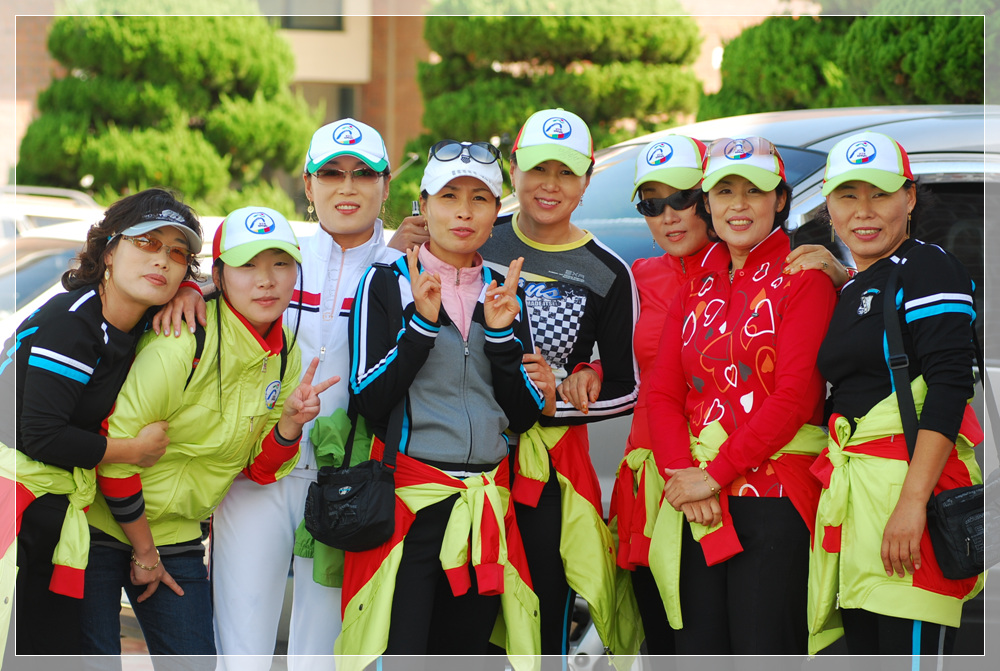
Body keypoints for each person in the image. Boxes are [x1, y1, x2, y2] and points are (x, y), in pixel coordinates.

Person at [155, 118, 428, 668]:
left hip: (348, 480)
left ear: (386, 185)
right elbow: (223, 275)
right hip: (256, 470)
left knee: (323, 651)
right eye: (331, 174)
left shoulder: (407, 268)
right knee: (241, 643)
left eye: (362, 174)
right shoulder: (283, 252)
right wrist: (188, 287)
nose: (346, 188)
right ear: (308, 184)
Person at [80, 207, 338, 657]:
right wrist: (145, 551)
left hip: (176, 537)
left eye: (281, 263)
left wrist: (290, 425)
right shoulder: (182, 339)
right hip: (101, 526)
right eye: (247, 265)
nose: (266, 280)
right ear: (218, 276)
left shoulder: (285, 356)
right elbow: (115, 453)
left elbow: (259, 471)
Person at [337, 140, 545, 669]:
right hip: (410, 505)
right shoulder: (386, 282)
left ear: (496, 212)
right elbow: (368, 399)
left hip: (484, 508)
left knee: (468, 657)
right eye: (449, 196)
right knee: (403, 656)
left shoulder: (504, 288)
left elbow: (522, 415)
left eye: (480, 199)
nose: (463, 212)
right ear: (424, 205)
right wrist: (421, 328)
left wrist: (502, 338)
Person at [644, 136, 837, 654]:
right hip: (696, 501)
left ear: (780, 199)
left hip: (773, 497)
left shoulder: (804, 277)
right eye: (724, 191)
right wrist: (684, 476)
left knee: (761, 652)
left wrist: (713, 475)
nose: (738, 204)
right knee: (698, 653)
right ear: (706, 202)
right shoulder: (696, 284)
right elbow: (662, 393)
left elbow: (794, 398)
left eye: (755, 190)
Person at [0, 188, 203, 654]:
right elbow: (41, 436)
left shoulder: (138, 319)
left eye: (178, 253)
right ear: (109, 250)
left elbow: (234, 286)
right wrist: (133, 451)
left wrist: (194, 289)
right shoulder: (74, 323)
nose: (162, 260)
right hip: (16, 507)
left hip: (53, 508)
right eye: (147, 242)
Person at [808, 131, 984, 655]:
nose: (863, 211)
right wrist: (842, 277)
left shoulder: (929, 267)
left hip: (908, 499)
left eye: (880, 194)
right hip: (860, 505)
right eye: (848, 195)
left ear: (909, 198)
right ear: (829, 207)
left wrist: (912, 504)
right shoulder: (856, 282)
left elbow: (950, 387)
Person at [478, 108, 641, 657]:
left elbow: (626, 385)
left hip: (549, 474)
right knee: (471, 623)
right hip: (465, 464)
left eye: (567, 172)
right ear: (513, 171)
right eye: (538, 169)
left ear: (587, 180)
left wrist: (559, 400)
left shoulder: (608, 271)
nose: (550, 185)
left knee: (544, 615)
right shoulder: (475, 240)